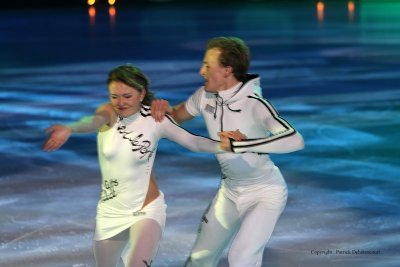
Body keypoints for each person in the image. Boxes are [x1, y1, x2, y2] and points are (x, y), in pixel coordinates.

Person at [42, 64, 235, 267]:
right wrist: (70, 128)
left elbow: (193, 142)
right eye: (114, 96)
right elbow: (92, 121)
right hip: (111, 212)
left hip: (147, 209)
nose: (120, 102)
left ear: (141, 94)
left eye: (127, 96)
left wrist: (225, 146)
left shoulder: (155, 119)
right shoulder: (109, 113)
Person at [151, 36, 305, 267]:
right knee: (199, 259)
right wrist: (159, 109)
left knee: (241, 258)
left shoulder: (254, 103)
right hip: (229, 192)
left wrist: (242, 144)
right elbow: (177, 116)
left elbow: (295, 140)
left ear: (227, 70)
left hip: (265, 192)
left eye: (207, 65)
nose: (201, 71)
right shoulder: (204, 96)